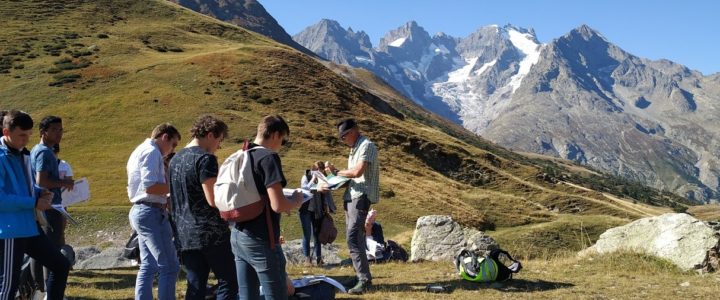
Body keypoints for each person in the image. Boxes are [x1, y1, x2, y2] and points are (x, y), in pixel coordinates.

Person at [230, 115, 304, 300]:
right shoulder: (268, 157)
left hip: (238, 234)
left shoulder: (241, 154)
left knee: (247, 295)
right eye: (283, 141)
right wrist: (295, 201)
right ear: (276, 135)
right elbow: (278, 205)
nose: (282, 145)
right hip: (262, 238)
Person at [1, 110, 71, 300]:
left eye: (28, 135)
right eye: (21, 135)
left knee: (61, 265)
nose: (25, 139)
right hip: (10, 230)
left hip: (30, 226)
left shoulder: (24, 155)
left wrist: (39, 192)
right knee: (8, 287)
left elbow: (26, 186)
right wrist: (34, 201)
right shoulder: (1, 157)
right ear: (6, 132)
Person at [169, 115, 238, 300]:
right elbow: (214, 199)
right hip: (210, 233)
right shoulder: (206, 159)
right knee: (230, 281)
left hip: (184, 233)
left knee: (196, 284)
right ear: (209, 135)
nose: (219, 146)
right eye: (219, 140)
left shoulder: (175, 159)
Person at [127, 123, 181, 300]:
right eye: (173, 144)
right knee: (169, 265)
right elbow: (150, 186)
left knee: (149, 264)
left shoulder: (141, 150)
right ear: (164, 137)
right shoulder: (151, 152)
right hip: (151, 212)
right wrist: (177, 187)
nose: (171, 150)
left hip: (143, 210)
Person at [326, 118, 380, 295]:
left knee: (353, 237)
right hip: (351, 196)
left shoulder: (367, 145)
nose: (342, 140)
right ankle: (360, 276)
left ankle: (364, 280)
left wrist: (336, 173)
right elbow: (352, 176)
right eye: (340, 137)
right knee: (353, 237)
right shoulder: (354, 149)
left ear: (354, 131)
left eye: (344, 136)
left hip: (361, 197)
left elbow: (357, 172)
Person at [299, 161, 336, 266]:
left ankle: (319, 259)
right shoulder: (306, 177)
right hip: (306, 210)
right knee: (307, 234)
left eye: (321, 172)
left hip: (318, 210)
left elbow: (325, 194)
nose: (320, 174)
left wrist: (326, 207)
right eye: (318, 172)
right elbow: (304, 189)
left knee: (317, 234)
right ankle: (307, 259)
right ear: (313, 170)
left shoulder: (323, 178)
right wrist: (312, 181)